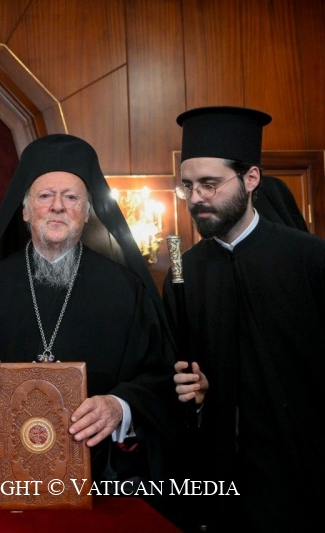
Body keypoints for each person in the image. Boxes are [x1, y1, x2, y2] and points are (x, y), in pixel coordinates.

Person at [0, 134, 179, 495]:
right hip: (6, 485)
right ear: (26, 210)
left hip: (102, 482)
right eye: (45, 196)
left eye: (72, 197)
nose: (58, 206)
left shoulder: (126, 290)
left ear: (88, 212)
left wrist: (120, 407)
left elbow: (160, 377)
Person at [165, 106, 324, 532]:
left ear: (251, 179)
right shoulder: (187, 272)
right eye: (188, 186)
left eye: (210, 184)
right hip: (220, 482)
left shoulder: (310, 259)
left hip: (303, 473)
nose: (196, 197)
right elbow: (176, 369)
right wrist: (189, 389)